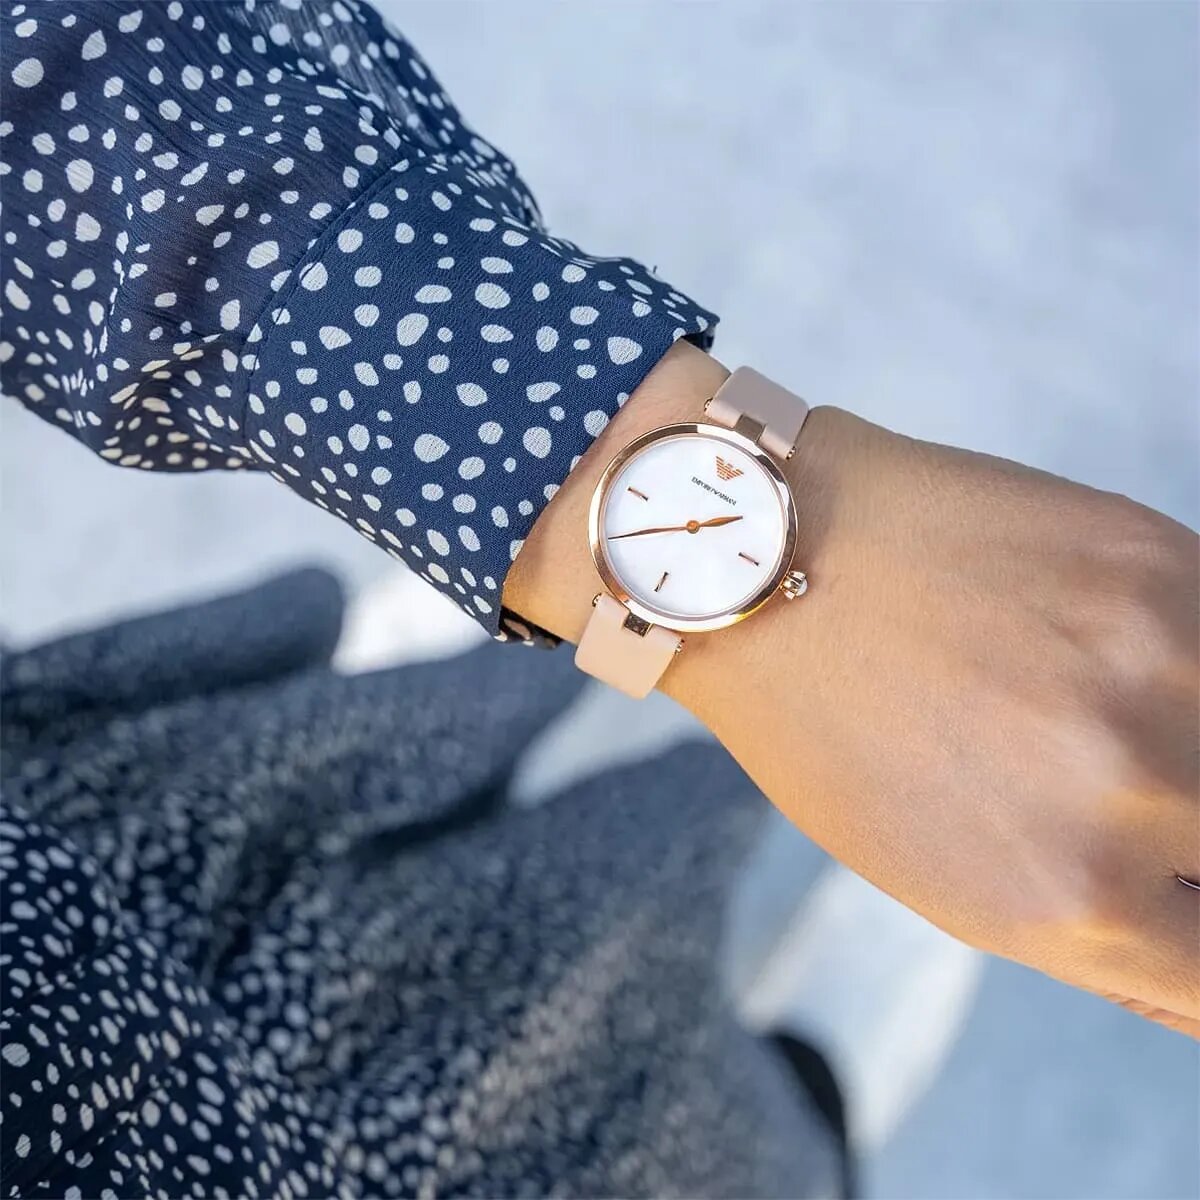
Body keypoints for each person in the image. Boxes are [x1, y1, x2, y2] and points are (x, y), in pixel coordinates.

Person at [1, 1, 1195, 1195]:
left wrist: (597, 448)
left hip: (74, 850)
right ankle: (821, 1082)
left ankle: (514, 613)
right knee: (744, 1126)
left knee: (354, 737)